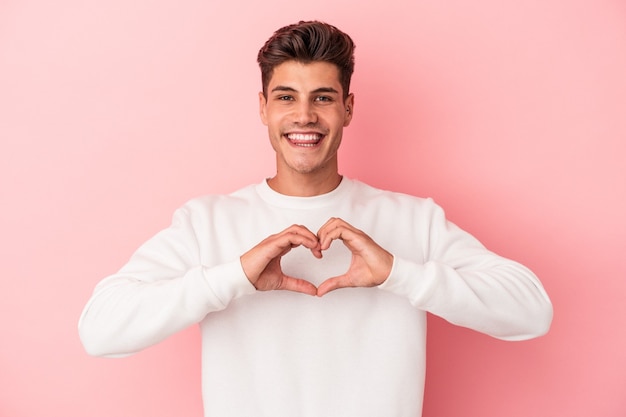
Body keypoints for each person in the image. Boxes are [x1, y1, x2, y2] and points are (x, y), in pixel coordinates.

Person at [79, 20, 553, 417]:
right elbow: (100, 331)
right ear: (263, 108)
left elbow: (532, 311)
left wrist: (397, 273)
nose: (304, 116)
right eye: (285, 97)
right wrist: (234, 276)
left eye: (323, 98)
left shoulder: (414, 220)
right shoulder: (206, 222)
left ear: (348, 108)